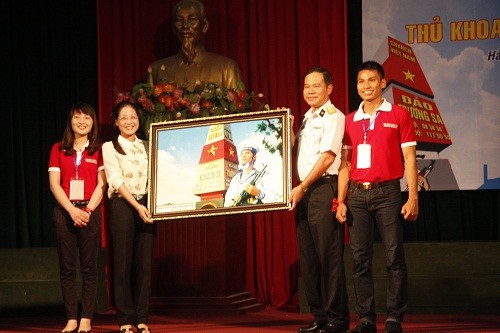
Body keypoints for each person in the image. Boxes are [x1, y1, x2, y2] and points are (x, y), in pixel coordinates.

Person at [335, 60, 418, 333]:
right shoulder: (349, 120)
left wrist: (413, 197)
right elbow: (344, 165)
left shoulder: (399, 115)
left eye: (371, 80)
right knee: (360, 260)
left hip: (389, 193)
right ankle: (366, 318)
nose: (366, 86)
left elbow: (409, 158)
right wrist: (341, 201)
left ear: (383, 83)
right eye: (361, 81)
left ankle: (394, 317)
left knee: (394, 256)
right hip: (357, 195)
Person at [288, 67, 349, 333]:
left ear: (329, 88)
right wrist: (287, 129)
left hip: (323, 189)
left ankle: (337, 319)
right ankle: (320, 317)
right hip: (303, 192)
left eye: (316, 86)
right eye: (306, 87)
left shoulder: (334, 117)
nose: (310, 91)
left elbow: (327, 158)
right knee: (309, 256)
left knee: (328, 257)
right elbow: (298, 151)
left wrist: (302, 186)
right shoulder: (306, 118)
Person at [48, 102, 106, 333]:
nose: (82, 121)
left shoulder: (100, 150)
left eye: (87, 118)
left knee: (90, 268)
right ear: (70, 121)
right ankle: (71, 317)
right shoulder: (58, 148)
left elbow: (103, 184)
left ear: (93, 123)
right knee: (67, 268)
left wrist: (88, 211)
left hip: (90, 211)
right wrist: (72, 211)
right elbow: (54, 184)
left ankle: (86, 318)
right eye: (77, 117)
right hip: (64, 212)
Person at [102, 101, 155, 333]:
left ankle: (141, 319)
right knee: (122, 265)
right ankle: (124, 320)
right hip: (124, 204)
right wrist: (136, 206)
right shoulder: (109, 146)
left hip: (147, 205)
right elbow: (114, 179)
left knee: (144, 265)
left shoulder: (149, 145)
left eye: (133, 117)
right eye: (123, 117)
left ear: (139, 120)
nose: (129, 121)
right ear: (116, 121)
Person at [150, 0, 243, 90]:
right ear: (173, 28)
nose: (185, 26)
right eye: (179, 20)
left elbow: (240, 104)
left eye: (192, 20)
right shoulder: (156, 70)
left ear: (205, 26)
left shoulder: (226, 69)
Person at [224, 142, 266, 207]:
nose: (243, 155)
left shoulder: (260, 176)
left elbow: (272, 198)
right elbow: (228, 200)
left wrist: (258, 193)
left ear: (254, 157)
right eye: (242, 154)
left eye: (247, 153)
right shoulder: (236, 178)